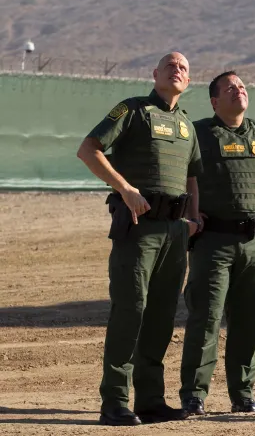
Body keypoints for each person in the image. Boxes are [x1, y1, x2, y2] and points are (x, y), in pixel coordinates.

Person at [76, 52, 203, 426]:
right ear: (155, 74)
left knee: (162, 317)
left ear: (188, 81)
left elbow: (193, 175)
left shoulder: (186, 126)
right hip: (138, 227)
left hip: (175, 232)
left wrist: (194, 218)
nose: (176, 68)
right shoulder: (131, 110)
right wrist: (126, 188)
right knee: (130, 310)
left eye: (183, 67)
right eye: (170, 64)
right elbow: (88, 150)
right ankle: (114, 401)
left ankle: (150, 401)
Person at [178, 71, 255, 415]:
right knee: (206, 317)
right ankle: (194, 395)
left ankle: (242, 393)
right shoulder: (199, 134)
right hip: (212, 240)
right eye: (230, 87)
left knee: (249, 319)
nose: (239, 90)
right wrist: (190, 212)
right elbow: (182, 173)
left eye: (242, 86)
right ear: (215, 101)